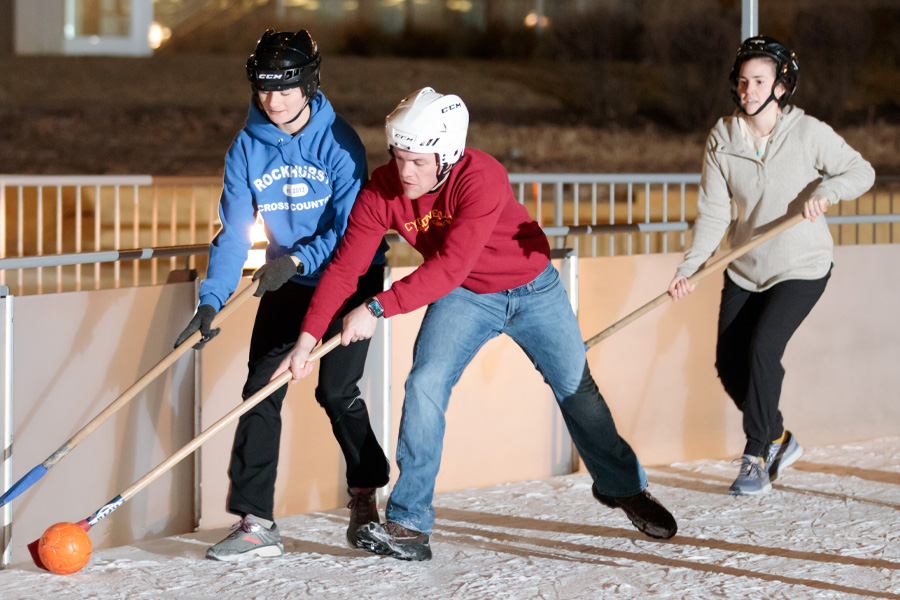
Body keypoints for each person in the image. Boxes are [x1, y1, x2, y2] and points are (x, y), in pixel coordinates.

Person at [273, 87, 678, 562]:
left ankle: (624, 486)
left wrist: (378, 308)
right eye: (399, 156)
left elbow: (450, 266)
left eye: (419, 161)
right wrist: (305, 340)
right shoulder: (382, 190)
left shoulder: (482, 176)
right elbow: (344, 269)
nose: (404, 172)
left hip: (532, 289)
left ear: (448, 157)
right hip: (466, 299)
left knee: (576, 390)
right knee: (425, 384)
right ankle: (408, 523)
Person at [174, 28, 391, 561]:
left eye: (286, 88)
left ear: (310, 84)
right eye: (264, 88)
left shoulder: (340, 143)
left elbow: (348, 233)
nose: (273, 100)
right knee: (259, 391)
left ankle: (365, 492)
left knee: (335, 391)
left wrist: (296, 258)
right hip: (285, 279)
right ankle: (255, 521)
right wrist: (211, 299)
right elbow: (232, 231)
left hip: (349, 276)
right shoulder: (246, 147)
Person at [667, 36, 875, 496]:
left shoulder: (808, 133)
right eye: (743, 81)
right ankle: (780, 437)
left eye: (759, 81)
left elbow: (861, 171)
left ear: (781, 86)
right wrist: (690, 268)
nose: (748, 90)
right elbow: (716, 212)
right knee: (728, 362)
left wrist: (828, 192)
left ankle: (756, 455)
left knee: (763, 350)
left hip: (802, 264)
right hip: (746, 265)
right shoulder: (723, 137)